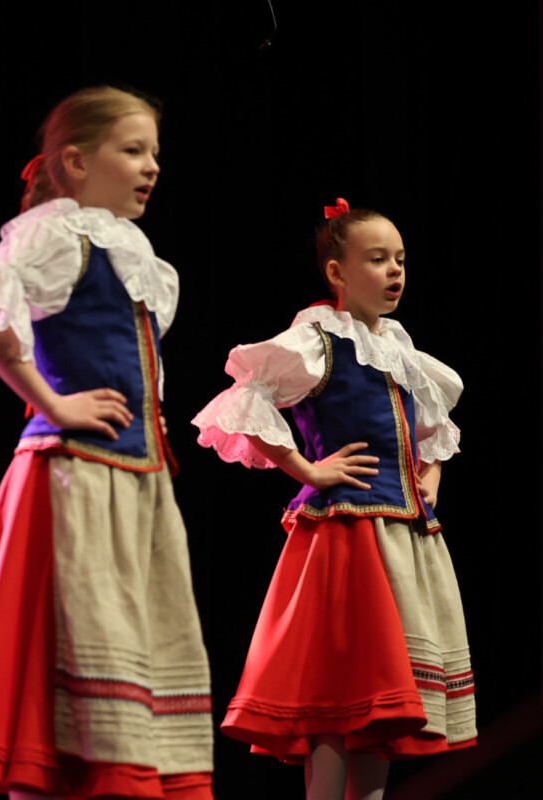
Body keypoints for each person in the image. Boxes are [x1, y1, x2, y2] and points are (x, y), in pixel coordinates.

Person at [0, 86, 214, 799]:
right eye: (132, 150)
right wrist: (52, 402)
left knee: (127, 644)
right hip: (77, 475)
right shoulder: (58, 232)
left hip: (135, 476)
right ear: (74, 161)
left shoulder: (127, 246)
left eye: (154, 153)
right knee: (63, 655)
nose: (151, 166)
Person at [191, 198, 475, 799]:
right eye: (377, 259)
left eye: (400, 259)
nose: (394, 270)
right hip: (346, 535)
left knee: (384, 704)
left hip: (404, 537)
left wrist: (429, 479)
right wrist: (306, 469)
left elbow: (434, 430)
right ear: (337, 272)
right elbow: (246, 400)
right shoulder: (318, 341)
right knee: (339, 691)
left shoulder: (402, 351)